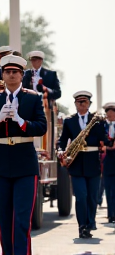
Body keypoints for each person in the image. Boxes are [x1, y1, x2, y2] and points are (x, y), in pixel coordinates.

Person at [0, 54, 47, 255]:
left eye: (15, 72)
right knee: (5, 220)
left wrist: (20, 120)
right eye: (7, 71)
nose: (11, 75)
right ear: (2, 74)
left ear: (22, 74)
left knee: (22, 221)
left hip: (25, 163)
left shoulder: (32, 98)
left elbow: (41, 127)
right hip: (2, 164)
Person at [57, 91, 105, 238]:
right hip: (76, 163)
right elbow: (63, 140)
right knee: (81, 196)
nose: (82, 104)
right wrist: (60, 150)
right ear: (75, 104)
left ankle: (90, 223)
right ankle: (82, 226)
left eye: (84, 102)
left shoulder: (97, 120)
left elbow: (104, 139)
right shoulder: (69, 121)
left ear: (89, 103)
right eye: (79, 102)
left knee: (92, 197)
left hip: (92, 162)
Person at [102, 102, 115, 223]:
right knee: (108, 189)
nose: (109, 114)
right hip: (107, 161)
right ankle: (111, 214)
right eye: (107, 112)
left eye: (111, 112)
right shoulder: (102, 126)